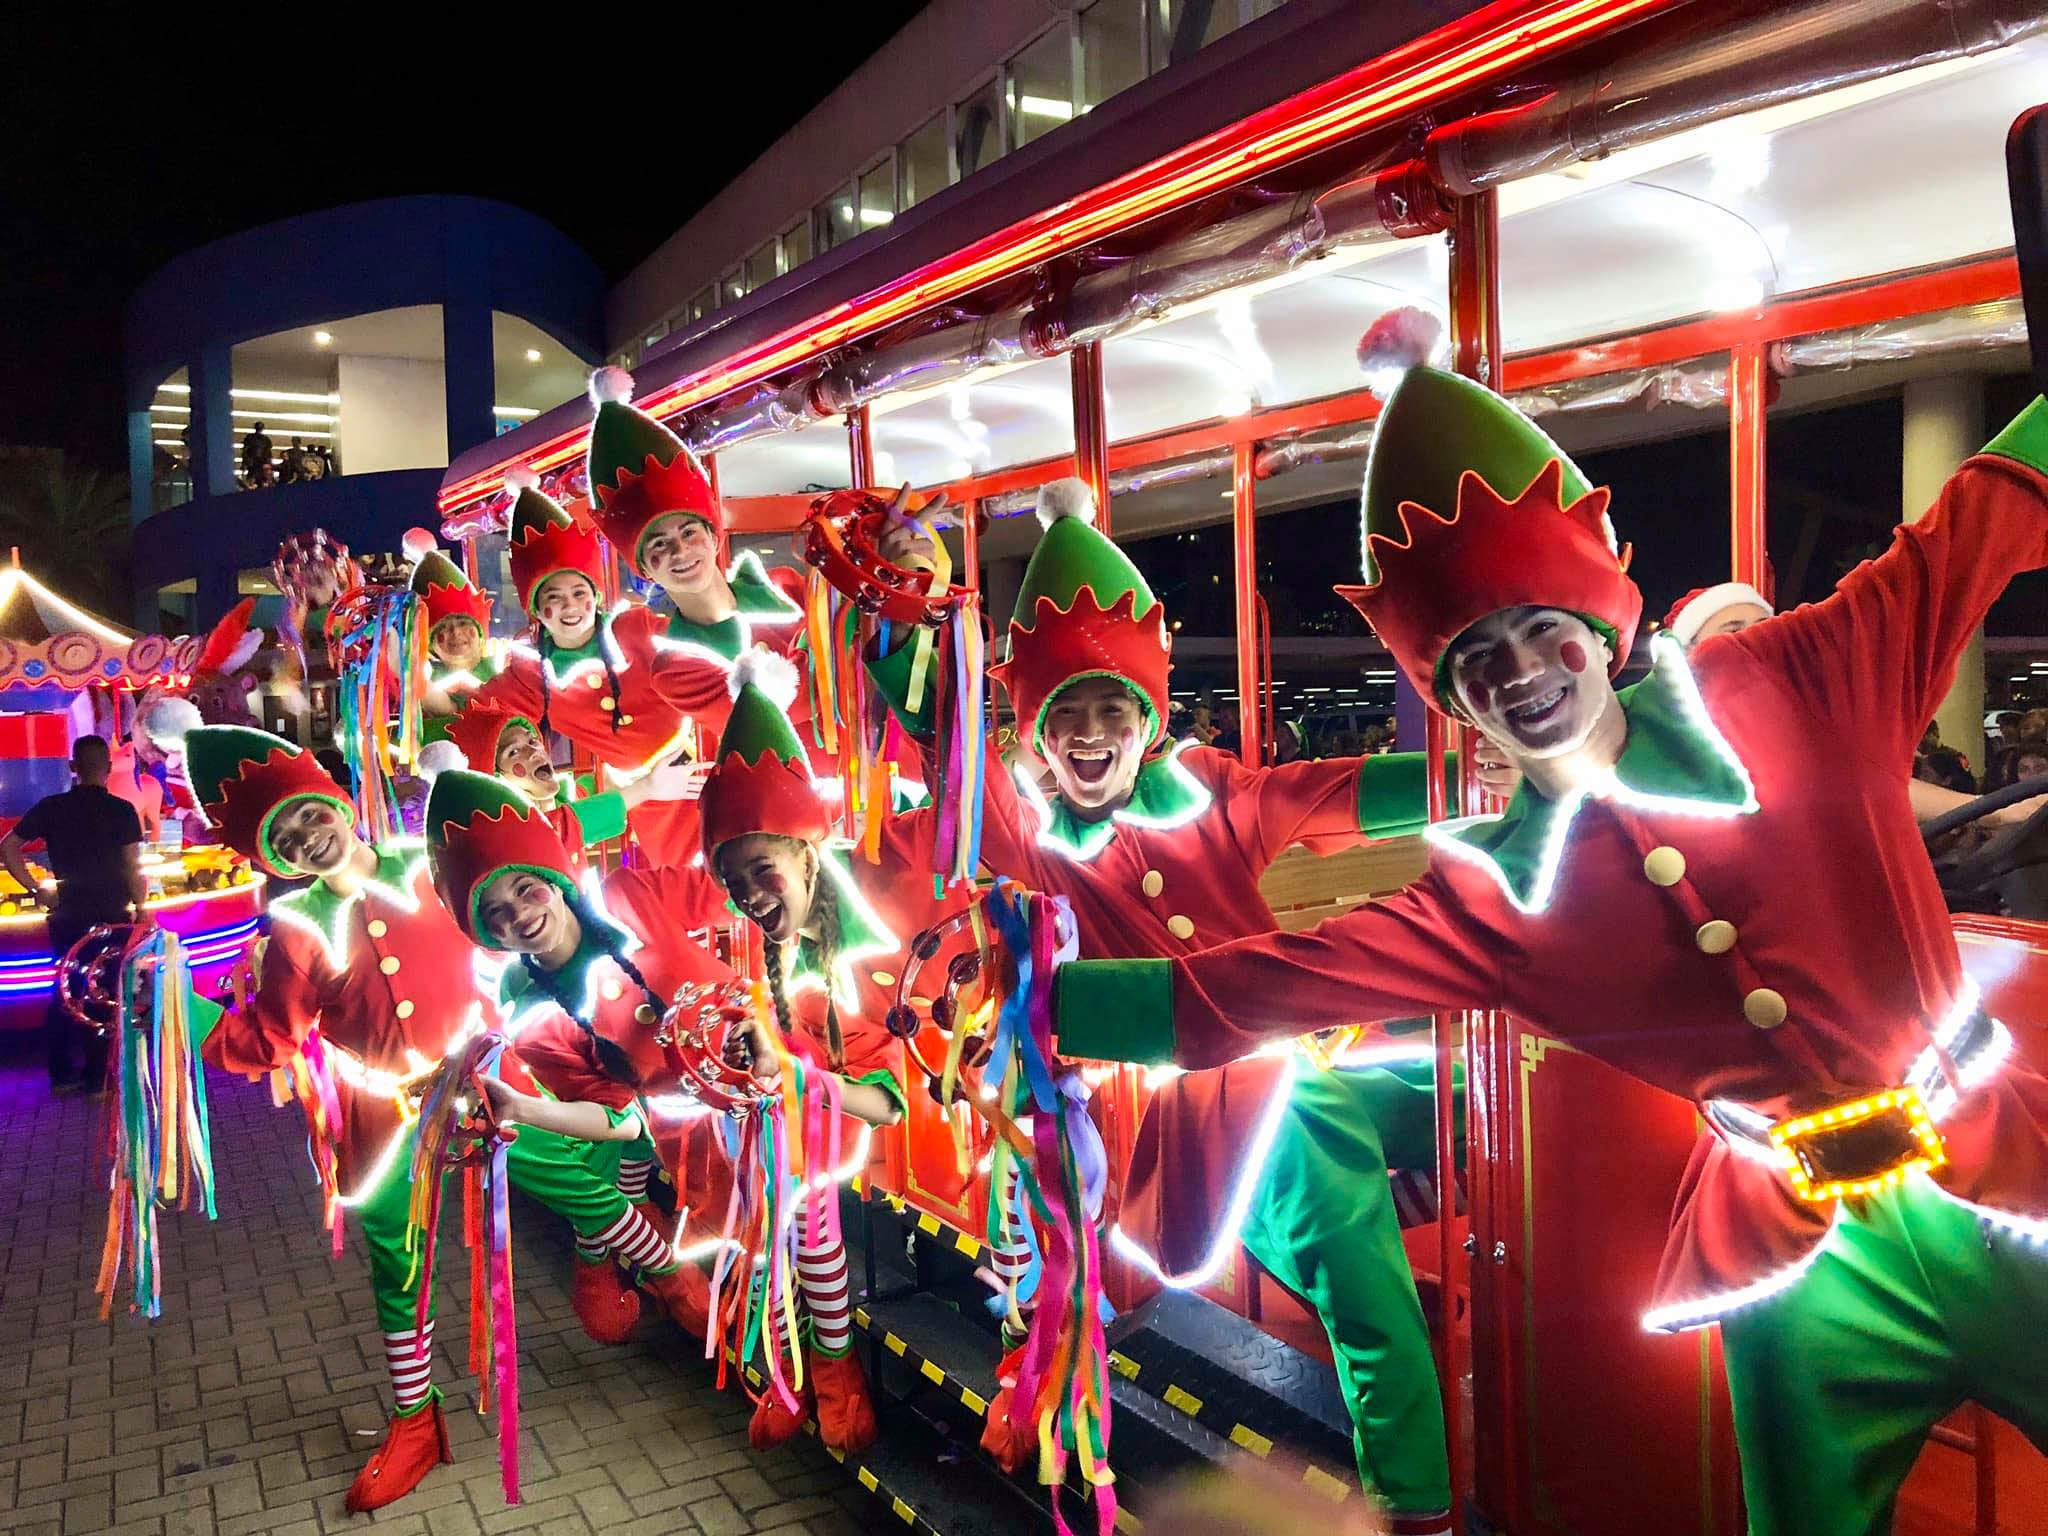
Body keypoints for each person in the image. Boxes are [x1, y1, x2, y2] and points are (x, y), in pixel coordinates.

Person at [1050, 327, 2048, 1536]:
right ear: (1451, 701)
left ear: (1599, 624)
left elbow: (1975, 525)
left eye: (1539, 633)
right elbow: (1237, 996)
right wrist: (1031, 998)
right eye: (1474, 661)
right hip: (1796, 1263)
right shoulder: (1492, 901)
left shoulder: (1791, 679)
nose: (1518, 672)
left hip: (2001, 1177)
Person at [870, 478, 1505, 1532]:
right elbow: (937, 724)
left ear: (1145, 721)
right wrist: (898, 600)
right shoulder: (1018, 833)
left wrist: (1488, 761)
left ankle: (1426, 1485)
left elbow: (1360, 790)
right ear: (1032, 733)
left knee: (1422, 1173)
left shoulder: (1219, 794)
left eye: (1109, 711)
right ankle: (1413, 1504)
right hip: (1158, 1116)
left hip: (1275, 1079)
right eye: (1061, 714)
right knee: (1345, 1257)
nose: (1086, 734)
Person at [166, 724, 680, 1512]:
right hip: (382, 1117)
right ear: (271, 856)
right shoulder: (293, 927)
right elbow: (266, 1038)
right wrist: (176, 1004)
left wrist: (637, 796)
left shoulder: (430, 862)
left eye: (309, 814)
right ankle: (415, 1421)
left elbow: (539, 842)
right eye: (285, 836)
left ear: (336, 800)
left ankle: (678, 1285)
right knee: (397, 1263)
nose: (309, 837)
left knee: (580, 1183)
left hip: (488, 1082)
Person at [422, 738, 893, 1456]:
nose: (519, 914)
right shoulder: (529, 1010)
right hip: (693, 1139)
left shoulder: (630, 895)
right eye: (493, 910)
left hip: (779, 1074)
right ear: (479, 928)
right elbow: (613, 1118)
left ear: (551, 876)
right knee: (754, 1252)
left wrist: (799, 865)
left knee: (813, 1236)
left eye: (526, 888)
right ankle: (787, 1380)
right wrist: (523, 1110)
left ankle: (838, 1379)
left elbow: (739, 890)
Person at [466, 471, 724, 867]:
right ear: (536, 609)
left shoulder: (636, 629)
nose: (570, 607)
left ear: (596, 597)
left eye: (579, 593)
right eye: (555, 598)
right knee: (690, 878)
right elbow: (473, 716)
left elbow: (704, 653)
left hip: (709, 756)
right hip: (650, 797)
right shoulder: (529, 672)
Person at [1, 735, 146, 1094]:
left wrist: (37, 890)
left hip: (67, 914)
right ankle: (98, 1078)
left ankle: (62, 1075)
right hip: (112, 914)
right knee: (106, 990)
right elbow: (132, 866)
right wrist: (142, 909)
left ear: (72, 768)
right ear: (109, 769)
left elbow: (8, 848)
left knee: (64, 989)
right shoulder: (122, 810)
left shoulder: (52, 807)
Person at [405, 541, 497, 743]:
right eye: (442, 628)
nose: (455, 632)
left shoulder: (509, 667)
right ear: (430, 645)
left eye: (463, 622)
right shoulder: (429, 680)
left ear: (481, 632)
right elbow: (445, 707)